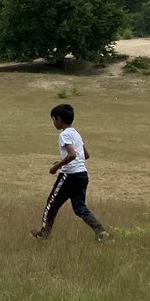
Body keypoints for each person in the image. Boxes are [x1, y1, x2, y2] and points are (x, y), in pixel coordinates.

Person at [32, 103, 110, 241]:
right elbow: (85, 155)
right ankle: (101, 232)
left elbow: (72, 154)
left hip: (69, 175)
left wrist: (56, 167)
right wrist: (62, 160)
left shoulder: (64, 135)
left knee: (51, 203)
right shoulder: (76, 134)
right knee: (80, 208)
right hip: (82, 175)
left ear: (59, 120)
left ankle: (44, 234)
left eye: (53, 120)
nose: (53, 123)